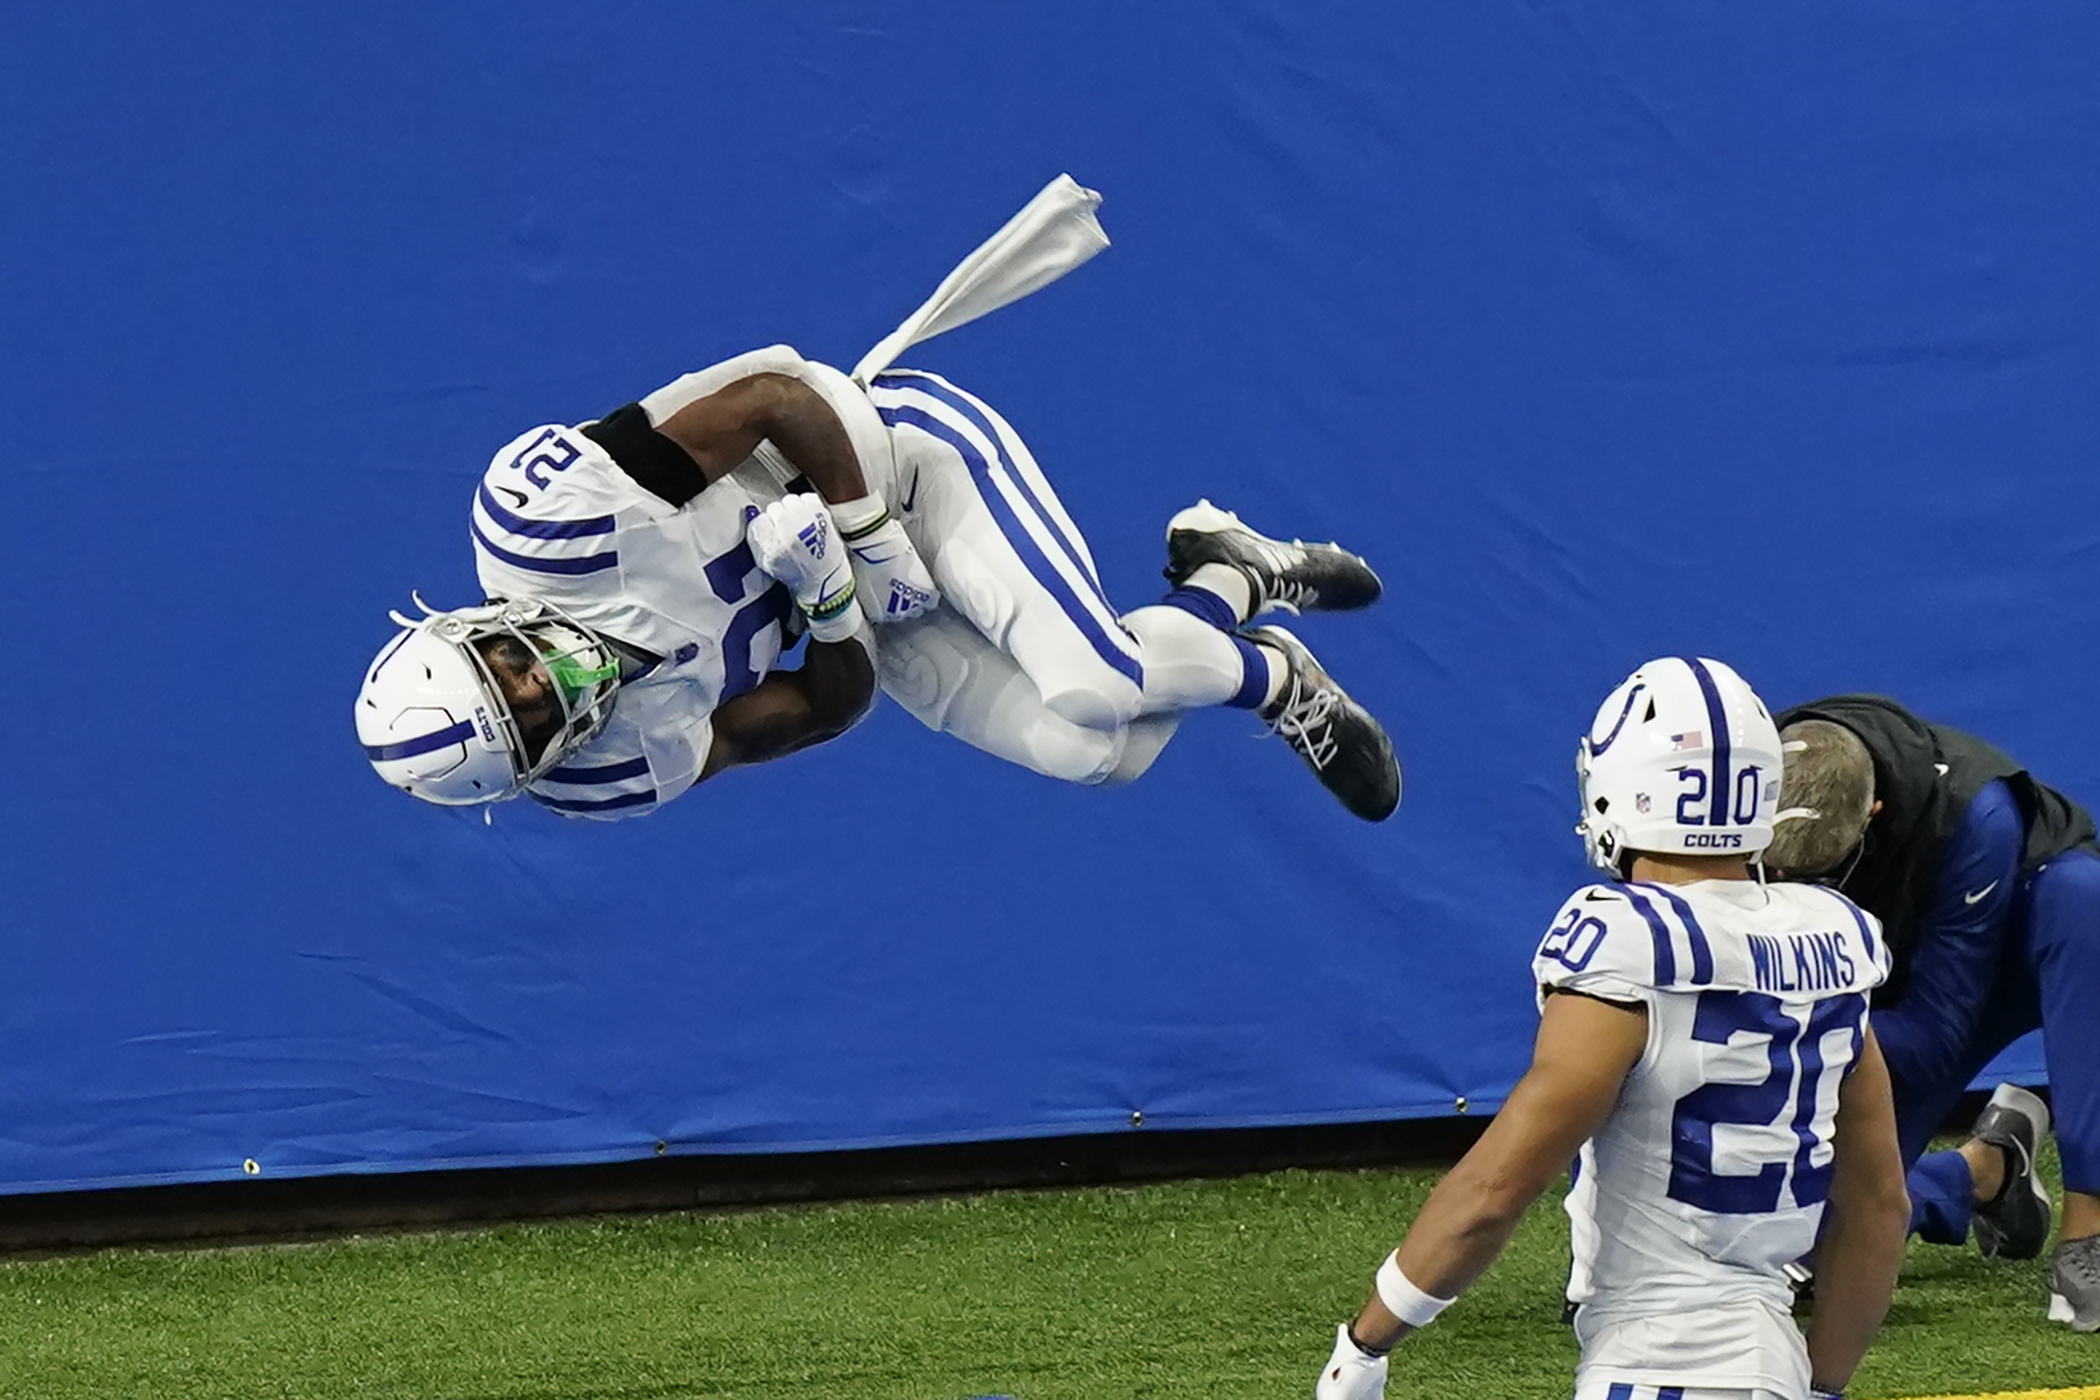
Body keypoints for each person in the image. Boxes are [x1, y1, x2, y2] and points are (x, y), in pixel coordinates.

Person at [353, 346, 1400, 822]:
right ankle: (1230, 576)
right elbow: (814, 708)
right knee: (1099, 755)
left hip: (892, 463)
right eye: (531, 720)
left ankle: (1275, 683)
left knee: (1095, 681)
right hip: (850, 596)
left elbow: (773, 397)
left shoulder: (549, 521)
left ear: (467, 624)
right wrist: (830, 603)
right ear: (540, 769)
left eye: (502, 669)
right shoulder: (607, 773)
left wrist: (861, 532)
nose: (539, 684)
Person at [1316, 657, 1910, 1400]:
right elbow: (1878, 1207)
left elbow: (1497, 1189)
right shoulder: (1834, 937)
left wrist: (1366, 1342)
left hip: (1661, 1362)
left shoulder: (1628, 940)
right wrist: (1817, 1386)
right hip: (1770, 1358)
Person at [1766, 695, 2100, 1332]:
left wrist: (1779, 1020)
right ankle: (1982, 1171)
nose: (1787, 887)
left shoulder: (1979, 816)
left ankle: (2091, 1227)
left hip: (1978, 972)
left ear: (1874, 815)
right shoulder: (1733, 796)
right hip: (1870, 994)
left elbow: (1933, 1040)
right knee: (1793, 1243)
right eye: (1776, 868)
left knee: (2084, 898)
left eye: (1815, 873)